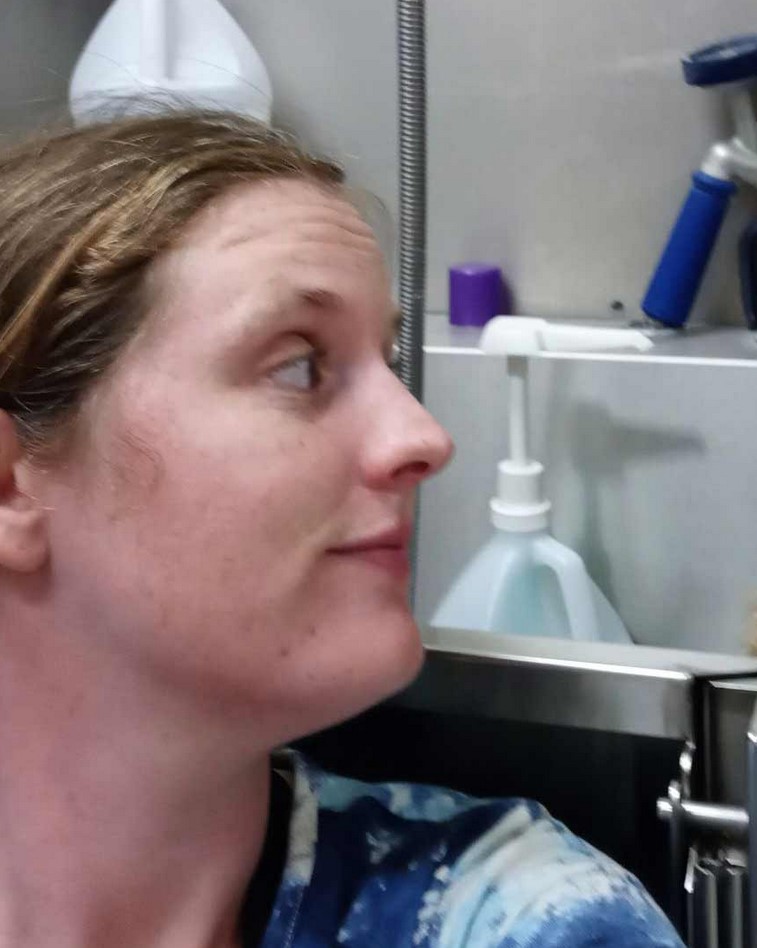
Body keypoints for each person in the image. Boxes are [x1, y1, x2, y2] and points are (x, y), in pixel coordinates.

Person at [0, 111, 683, 947]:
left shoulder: (526, 921)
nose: (424, 438)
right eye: (299, 364)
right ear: (9, 488)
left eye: (388, 364)